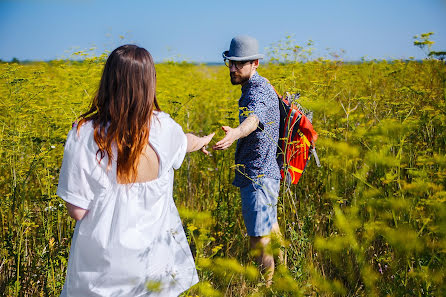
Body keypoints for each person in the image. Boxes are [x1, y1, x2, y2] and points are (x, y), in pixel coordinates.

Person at [57, 44, 214, 297]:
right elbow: (186, 142)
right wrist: (203, 141)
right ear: (149, 84)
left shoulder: (84, 133)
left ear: (108, 81)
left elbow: (77, 210)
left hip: (99, 273)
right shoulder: (166, 128)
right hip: (153, 266)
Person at [213, 35, 282, 285]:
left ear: (255, 64)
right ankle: (283, 279)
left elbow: (253, 119)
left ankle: (263, 287)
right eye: (230, 63)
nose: (232, 69)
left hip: (258, 176)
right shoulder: (256, 86)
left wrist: (235, 134)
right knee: (271, 229)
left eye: (239, 64)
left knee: (258, 237)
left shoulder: (258, 91)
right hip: (266, 172)